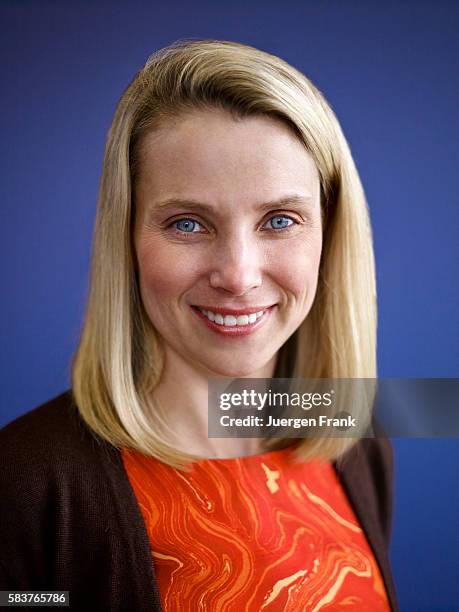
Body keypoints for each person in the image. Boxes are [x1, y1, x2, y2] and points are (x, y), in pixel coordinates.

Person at [0, 39, 398, 610]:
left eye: (280, 220)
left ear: (329, 237)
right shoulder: (24, 486)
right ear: (128, 238)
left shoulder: (357, 438)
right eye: (187, 224)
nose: (238, 275)